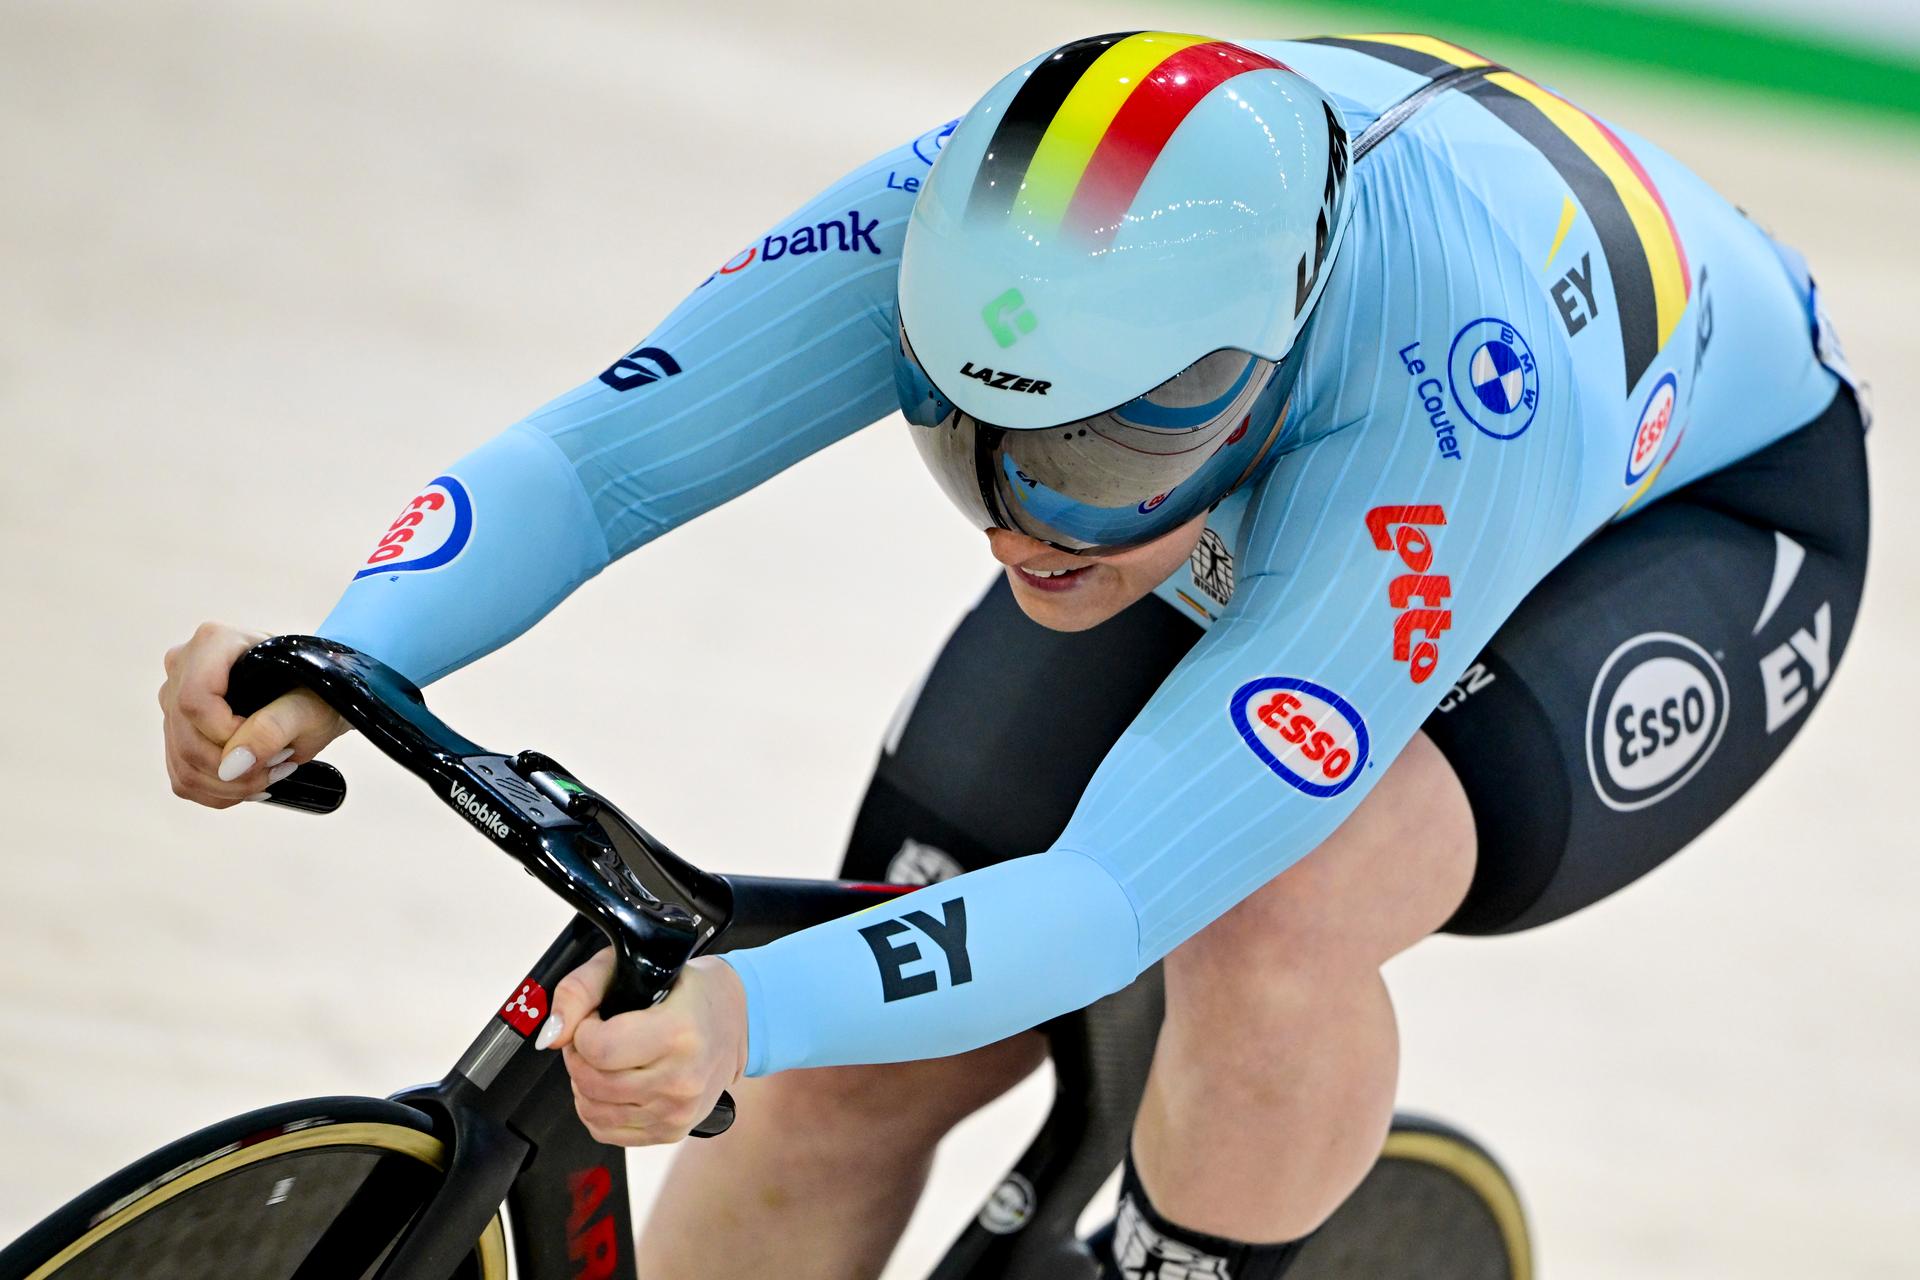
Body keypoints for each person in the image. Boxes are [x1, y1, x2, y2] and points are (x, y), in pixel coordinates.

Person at [157, 30, 1870, 1280]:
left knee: (1272, 917)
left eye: (1102, 456)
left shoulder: (1447, 412)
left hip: (1682, 520)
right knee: (838, 1079)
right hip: (1270, 481)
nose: (1021, 521)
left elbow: (1125, 889)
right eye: (965, 433)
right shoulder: (965, 210)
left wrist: (757, 1000)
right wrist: (353, 648)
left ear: (1247, 371)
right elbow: (596, 462)